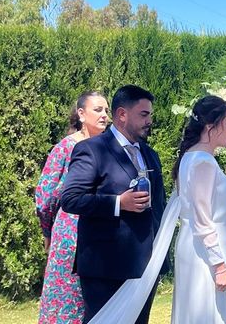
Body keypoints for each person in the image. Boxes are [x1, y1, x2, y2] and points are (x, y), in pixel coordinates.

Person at [61, 85, 167, 324]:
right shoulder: (92, 150)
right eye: (144, 114)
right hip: (105, 268)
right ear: (121, 115)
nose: (149, 120)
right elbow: (70, 198)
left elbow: (159, 205)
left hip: (144, 267)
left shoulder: (150, 155)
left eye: (150, 115)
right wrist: (118, 203)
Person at [171, 95, 226, 324]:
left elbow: (197, 202)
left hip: (197, 245)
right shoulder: (203, 162)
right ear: (210, 126)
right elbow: (201, 218)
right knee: (207, 314)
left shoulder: (192, 156)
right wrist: (219, 267)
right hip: (204, 253)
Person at [35, 91, 110, 324]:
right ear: (81, 113)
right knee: (67, 295)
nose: (104, 115)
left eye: (106, 110)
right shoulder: (66, 148)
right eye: (98, 110)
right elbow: (45, 195)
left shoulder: (110, 148)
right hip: (71, 233)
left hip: (103, 230)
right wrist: (47, 231)